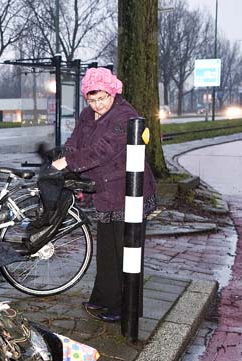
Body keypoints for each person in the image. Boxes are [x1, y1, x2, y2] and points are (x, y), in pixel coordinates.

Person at [50, 67, 156, 323]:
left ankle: (127, 307)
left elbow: (103, 150)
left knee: (126, 251)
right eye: (92, 100)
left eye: (103, 99)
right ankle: (104, 298)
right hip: (106, 191)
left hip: (128, 192)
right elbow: (76, 139)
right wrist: (65, 154)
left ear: (113, 93)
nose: (98, 105)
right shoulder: (89, 114)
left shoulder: (125, 116)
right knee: (108, 248)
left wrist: (69, 163)